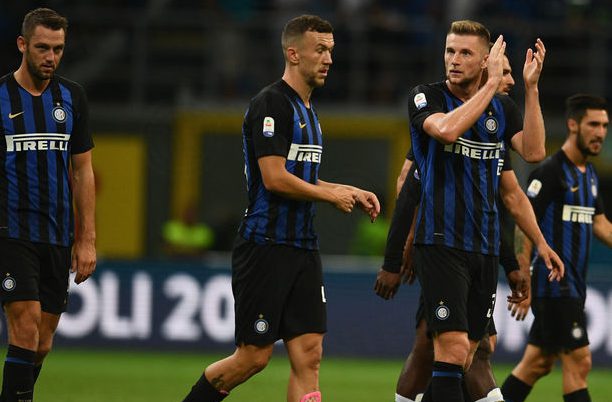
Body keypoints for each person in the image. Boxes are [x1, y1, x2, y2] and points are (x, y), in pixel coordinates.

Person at [181, 15, 380, 402]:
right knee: (252, 358)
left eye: (331, 50)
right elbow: (274, 178)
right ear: (293, 53)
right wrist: (330, 197)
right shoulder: (271, 103)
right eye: (320, 50)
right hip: (266, 246)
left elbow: (302, 177)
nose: (329, 59)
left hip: (303, 246)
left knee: (310, 354)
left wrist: (346, 190)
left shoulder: (309, 110)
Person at [386, 20, 563, 402]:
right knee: (448, 349)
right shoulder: (426, 97)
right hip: (440, 243)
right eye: (450, 51)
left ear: (484, 61)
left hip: (483, 249)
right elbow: (446, 131)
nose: (454, 59)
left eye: (465, 53)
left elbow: (533, 153)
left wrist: (532, 88)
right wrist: (402, 245)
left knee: (469, 354)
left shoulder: (501, 110)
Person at [0, 8, 96, 401]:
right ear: (22, 45)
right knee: (24, 327)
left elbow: (83, 171)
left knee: (42, 342)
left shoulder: (72, 97)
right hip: (11, 232)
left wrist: (86, 239)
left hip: (57, 234)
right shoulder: (1, 97)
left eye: (58, 49)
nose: (51, 57)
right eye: (42, 48)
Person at [501, 94, 611, 402]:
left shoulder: (589, 175)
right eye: (593, 124)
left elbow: (601, 225)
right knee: (580, 361)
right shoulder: (550, 171)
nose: (600, 133)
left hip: (573, 286)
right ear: (573, 125)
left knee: (537, 363)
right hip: (554, 285)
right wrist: (523, 277)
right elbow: (525, 225)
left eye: (604, 126)